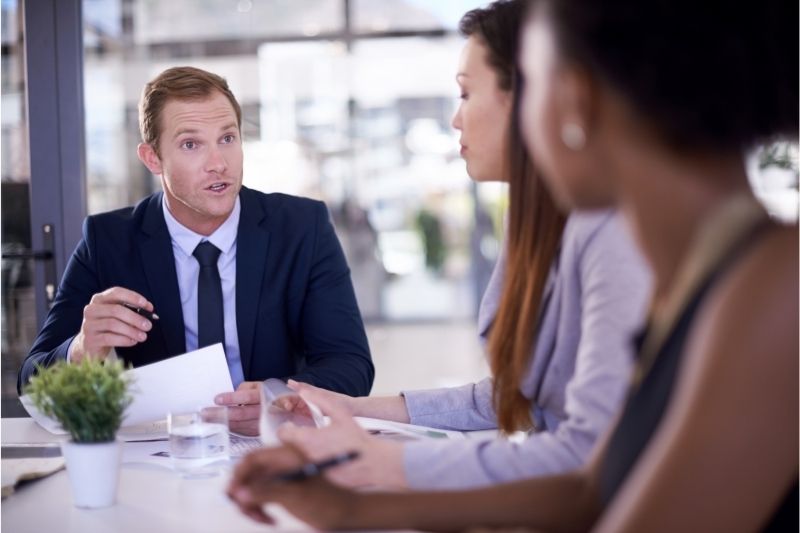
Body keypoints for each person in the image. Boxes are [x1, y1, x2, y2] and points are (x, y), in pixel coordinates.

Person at [227, 0, 798, 530]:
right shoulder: (714, 271)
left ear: (574, 99)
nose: (456, 120)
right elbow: (589, 485)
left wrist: (380, 481)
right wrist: (353, 508)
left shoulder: (771, 291)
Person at [246, 0, 650, 491]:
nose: (456, 120)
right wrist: (355, 410)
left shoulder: (607, 228)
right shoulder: (537, 225)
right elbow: (511, 398)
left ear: (530, 95)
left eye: (465, 94)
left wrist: (384, 470)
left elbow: (586, 453)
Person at [18, 66, 375, 435]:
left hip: (275, 446)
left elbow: (350, 365)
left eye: (227, 138)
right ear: (153, 159)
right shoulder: (108, 241)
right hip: (165, 454)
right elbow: (31, 385)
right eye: (191, 144)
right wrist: (81, 349)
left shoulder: (303, 228)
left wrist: (277, 397)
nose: (218, 163)